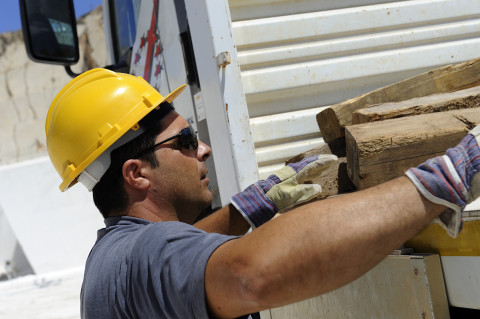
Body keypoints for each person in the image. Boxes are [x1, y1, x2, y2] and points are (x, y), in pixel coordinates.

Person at [45, 68, 479, 319]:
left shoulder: (112, 260)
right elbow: (248, 275)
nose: (204, 148)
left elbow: (182, 256)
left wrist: (251, 206)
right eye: (184, 140)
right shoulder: (148, 255)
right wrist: (440, 183)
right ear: (136, 174)